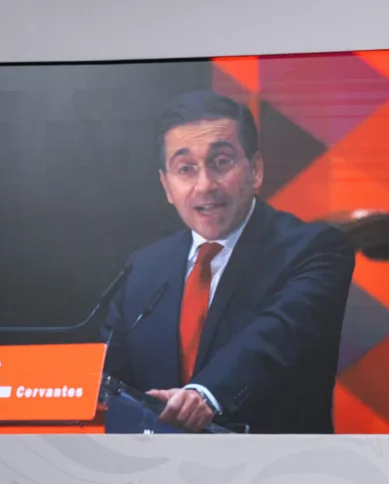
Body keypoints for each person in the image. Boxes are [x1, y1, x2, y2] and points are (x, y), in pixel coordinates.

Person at [102, 90, 356, 434]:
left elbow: (275, 338)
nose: (205, 185)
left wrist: (205, 395)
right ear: (166, 186)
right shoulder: (143, 268)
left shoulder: (314, 249)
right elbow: (107, 377)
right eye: (185, 169)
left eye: (221, 162)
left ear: (256, 170)